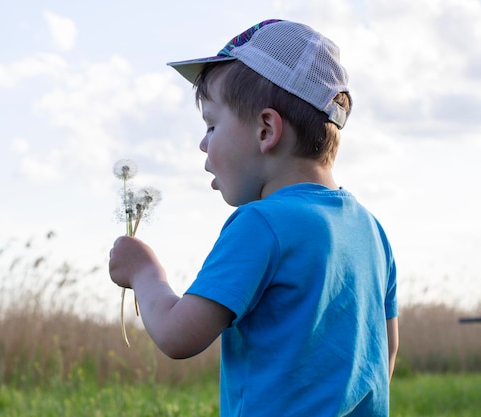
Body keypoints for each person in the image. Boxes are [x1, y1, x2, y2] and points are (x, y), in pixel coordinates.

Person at [109, 19, 398, 416]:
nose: (203, 143)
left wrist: (144, 272)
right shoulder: (371, 230)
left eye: (212, 124)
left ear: (266, 130)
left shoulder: (261, 224)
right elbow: (385, 351)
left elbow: (179, 335)